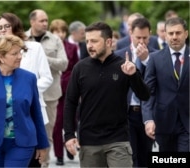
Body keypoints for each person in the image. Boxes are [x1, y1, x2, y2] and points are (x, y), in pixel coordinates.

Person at [64, 21, 150, 167]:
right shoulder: (80, 68)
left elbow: (145, 95)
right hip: (89, 141)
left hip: (118, 140)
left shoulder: (124, 65)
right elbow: (70, 102)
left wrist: (133, 75)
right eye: (87, 41)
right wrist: (69, 135)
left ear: (108, 41)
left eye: (94, 41)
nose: (89, 45)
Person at [0, 34, 49, 167]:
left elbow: (36, 112)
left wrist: (42, 144)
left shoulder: (29, 78)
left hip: (22, 142)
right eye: (14, 53)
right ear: (1, 57)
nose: (20, 56)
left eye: (20, 52)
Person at [0, 12, 53, 167]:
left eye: (6, 26)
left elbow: (47, 78)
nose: (2, 30)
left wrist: (24, 91)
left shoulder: (35, 48)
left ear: (15, 26)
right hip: (5, 116)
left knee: (34, 160)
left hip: (31, 111)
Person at [26, 9, 68, 168]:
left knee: (46, 134)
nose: (45, 23)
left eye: (46, 20)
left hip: (49, 95)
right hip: (26, 94)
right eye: (42, 20)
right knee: (28, 132)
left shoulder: (55, 39)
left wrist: (42, 56)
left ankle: (44, 164)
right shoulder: (22, 38)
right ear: (32, 22)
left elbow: (64, 64)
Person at [142, 17, 189, 152]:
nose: (174, 37)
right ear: (165, 35)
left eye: (178, 33)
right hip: (164, 123)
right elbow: (148, 93)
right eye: (170, 33)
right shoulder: (155, 59)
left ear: (186, 34)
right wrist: (148, 119)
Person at [115, 17, 156, 167]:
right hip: (127, 112)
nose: (141, 41)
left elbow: (155, 83)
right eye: (138, 37)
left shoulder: (155, 55)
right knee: (130, 156)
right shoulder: (119, 54)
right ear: (130, 33)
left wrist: (146, 61)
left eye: (145, 38)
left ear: (150, 34)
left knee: (146, 155)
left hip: (148, 113)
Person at [49, 18, 79, 166]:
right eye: (56, 31)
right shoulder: (48, 47)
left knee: (72, 120)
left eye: (62, 31)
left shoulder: (72, 48)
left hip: (69, 89)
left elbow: (76, 68)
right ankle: (59, 154)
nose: (59, 34)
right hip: (54, 90)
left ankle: (70, 144)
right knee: (57, 122)